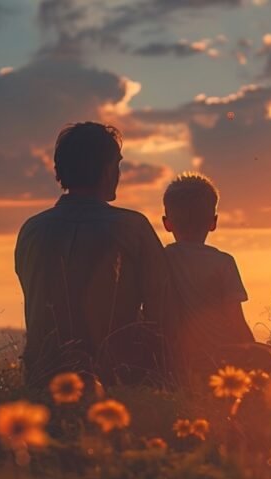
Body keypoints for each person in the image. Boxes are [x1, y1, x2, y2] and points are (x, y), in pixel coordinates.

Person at [15, 122, 167, 387]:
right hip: (115, 385)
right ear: (108, 170)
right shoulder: (131, 228)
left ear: (59, 171)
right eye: (117, 165)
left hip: (42, 384)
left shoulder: (32, 230)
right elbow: (162, 311)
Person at [160, 172, 271, 383]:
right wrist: (253, 353)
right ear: (213, 222)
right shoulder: (223, 262)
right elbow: (235, 319)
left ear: (167, 223)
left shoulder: (160, 259)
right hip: (222, 355)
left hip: (178, 358)